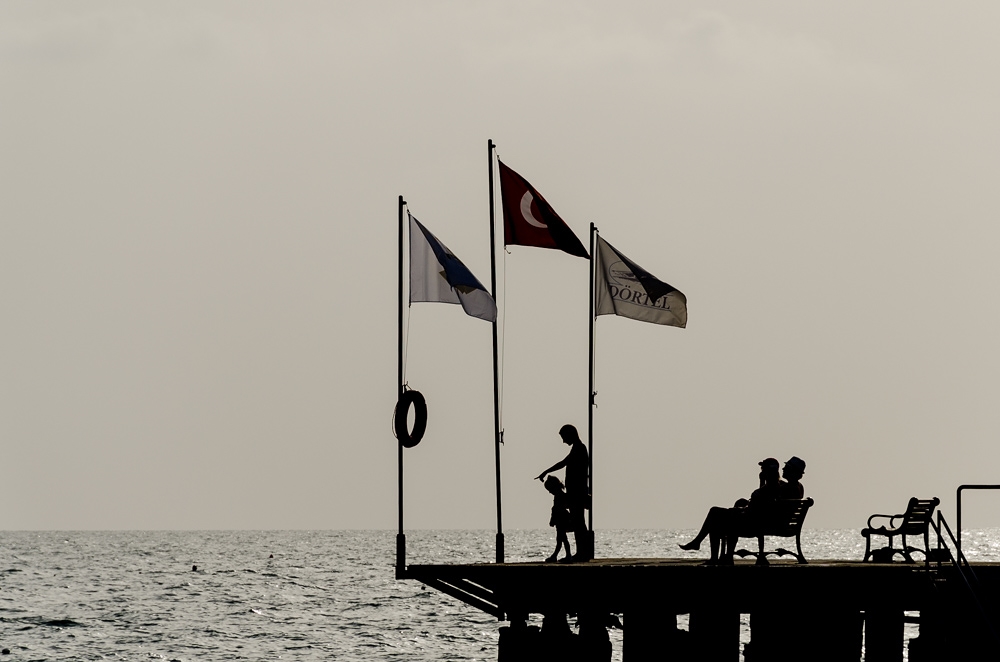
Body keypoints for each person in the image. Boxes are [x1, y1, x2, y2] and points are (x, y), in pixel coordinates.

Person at [679, 458, 785, 564]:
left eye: (762, 469)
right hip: (761, 522)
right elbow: (761, 507)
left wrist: (739, 510)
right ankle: (708, 548)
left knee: (714, 514)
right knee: (729, 510)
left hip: (752, 525)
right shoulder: (780, 487)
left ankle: (706, 549)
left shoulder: (767, 490)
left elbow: (755, 510)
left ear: (766, 471)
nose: (761, 471)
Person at [537, 424, 591, 561]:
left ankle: (582, 553)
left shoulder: (579, 449)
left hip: (577, 492)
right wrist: (546, 471)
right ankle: (581, 553)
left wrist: (546, 471)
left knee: (579, 522)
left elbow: (564, 463)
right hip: (575, 492)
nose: (563, 441)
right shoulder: (577, 449)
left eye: (564, 437)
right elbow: (564, 463)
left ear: (570, 434)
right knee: (578, 522)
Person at [543, 476, 572, 562]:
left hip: (561, 519)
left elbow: (556, 509)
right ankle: (557, 555)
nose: (549, 492)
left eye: (550, 489)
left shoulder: (559, 496)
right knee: (560, 539)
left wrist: (553, 519)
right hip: (561, 519)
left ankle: (567, 555)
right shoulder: (561, 495)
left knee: (562, 538)